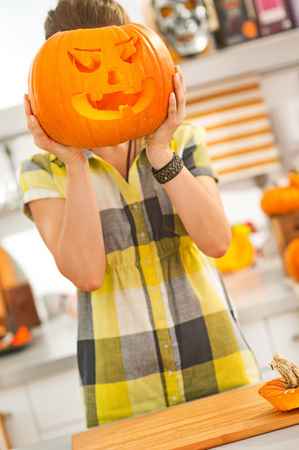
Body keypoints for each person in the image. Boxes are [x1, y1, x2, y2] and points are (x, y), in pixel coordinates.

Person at [20, 0, 261, 429]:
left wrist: (161, 152)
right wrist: (74, 163)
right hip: (123, 390)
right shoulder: (43, 170)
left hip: (218, 363)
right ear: (50, 84)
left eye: (127, 60)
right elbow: (87, 274)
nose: (113, 79)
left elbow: (217, 242)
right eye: (85, 67)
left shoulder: (182, 140)